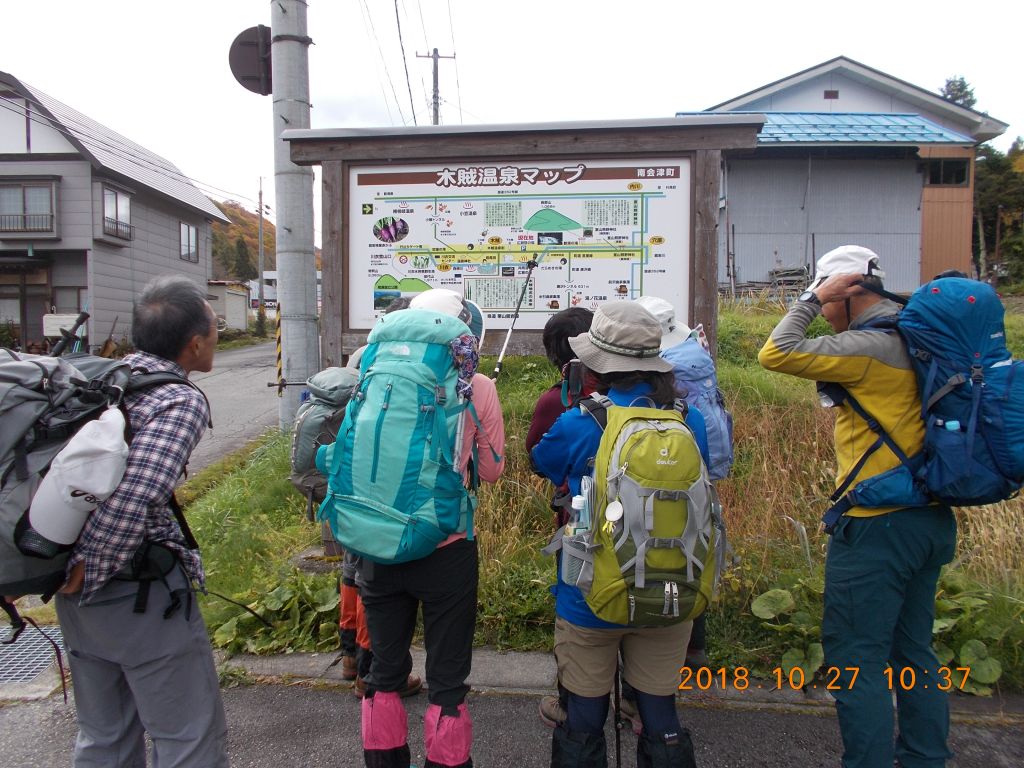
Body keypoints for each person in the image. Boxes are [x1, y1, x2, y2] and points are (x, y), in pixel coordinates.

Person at [758, 245, 957, 768]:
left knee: (857, 659)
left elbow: (775, 353)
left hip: (876, 527)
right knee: (914, 652)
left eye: (828, 300)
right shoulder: (920, 340)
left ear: (847, 293)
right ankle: (924, 758)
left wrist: (809, 298)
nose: (824, 311)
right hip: (930, 518)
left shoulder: (869, 346)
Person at [55, 275, 229, 767]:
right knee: (188, 736)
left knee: (104, 735)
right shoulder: (177, 400)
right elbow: (136, 494)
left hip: (72, 591)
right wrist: (91, 569)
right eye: (214, 327)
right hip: (135, 593)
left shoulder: (98, 376)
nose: (215, 335)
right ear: (194, 344)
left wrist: (70, 573)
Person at [531, 301, 705, 768]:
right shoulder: (689, 419)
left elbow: (543, 463)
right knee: (660, 712)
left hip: (589, 591)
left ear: (596, 361)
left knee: (584, 717)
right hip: (669, 587)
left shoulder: (580, 420)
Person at [356, 288, 506, 768]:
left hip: (377, 540)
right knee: (446, 679)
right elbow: (491, 471)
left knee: (383, 672)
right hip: (447, 546)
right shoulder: (476, 386)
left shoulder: (372, 371)